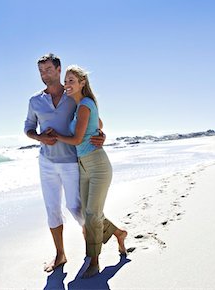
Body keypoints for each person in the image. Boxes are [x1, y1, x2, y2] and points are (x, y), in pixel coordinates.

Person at [24, 53, 107, 273]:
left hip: (71, 161)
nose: (44, 74)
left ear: (59, 70)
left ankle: (95, 246)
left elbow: (95, 120)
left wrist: (101, 134)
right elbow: (28, 128)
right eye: (41, 71)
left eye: (48, 69)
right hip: (47, 163)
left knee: (76, 208)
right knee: (52, 210)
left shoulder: (73, 95)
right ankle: (60, 255)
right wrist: (40, 137)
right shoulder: (34, 101)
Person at [48, 64, 127, 279]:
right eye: (66, 81)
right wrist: (99, 130)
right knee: (88, 213)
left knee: (91, 216)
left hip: (98, 165)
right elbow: (99, 122)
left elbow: (76, 139)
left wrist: (55, 135)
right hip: (83, 164)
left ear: (83, 83)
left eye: (71, 80)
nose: (67, 84)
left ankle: (94, 261)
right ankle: (119, 234)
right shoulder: (80, 107)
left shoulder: (84, 104)